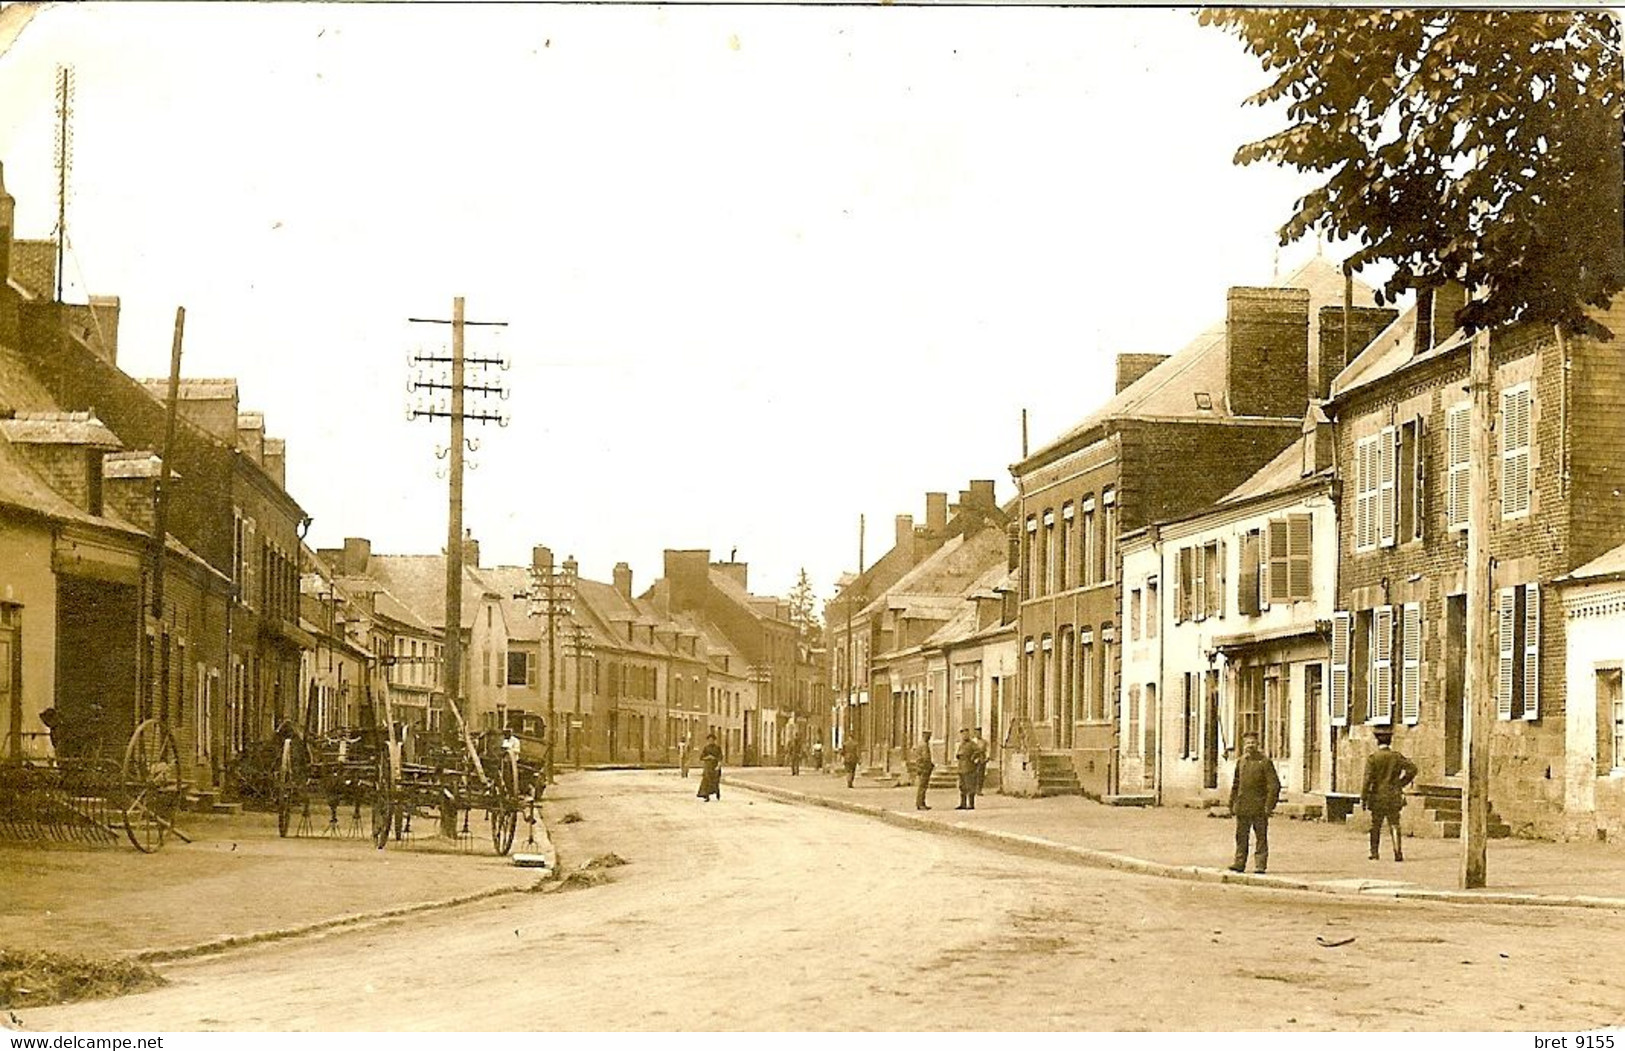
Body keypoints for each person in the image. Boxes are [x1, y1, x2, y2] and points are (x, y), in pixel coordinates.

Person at [1362, 728, 1419, 861]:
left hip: (1378, 796)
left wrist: (1363, 797)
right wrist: (1401, 783)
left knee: (1376, 824)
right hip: (1393, 794)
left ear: (1377, 741)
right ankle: (1397, 852)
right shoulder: (1397, 757)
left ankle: (1374, 853)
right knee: (1394, 823)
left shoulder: (1373, 758)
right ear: (1390, 741)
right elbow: (1412, 769)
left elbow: (1367, 779)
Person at [1228, 732, 1280, 873]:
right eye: (1247, 743)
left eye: (1252, 743)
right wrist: (1232, 803)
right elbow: (1236, 784)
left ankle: (1260, 865)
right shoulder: (1241, 762)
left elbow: (1274, 786)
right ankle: (1239, 863)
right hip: (1243, 806)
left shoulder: (1264, 762)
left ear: (1258, 744)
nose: (1250, 746)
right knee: (1241, 836)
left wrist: (1268, 806)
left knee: (1261, 837)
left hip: (1259, 807)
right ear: (1243, 745)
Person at [955, 727, 978, 810]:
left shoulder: (972, 744)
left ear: (968, 735)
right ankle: (963, 804)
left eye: (966, 734)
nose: (964, 736)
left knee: (970, 786)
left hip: (969, 768)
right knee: (962, 787)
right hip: (961, 768)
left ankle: (971, 804)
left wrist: (973, 758)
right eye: (963, 734)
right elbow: (958, 754)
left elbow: (978, 752)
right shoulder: (961, 745)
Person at [912, 731, 935, 811]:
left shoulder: (920, 744)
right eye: (928, 736)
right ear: (925, 736)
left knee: (922, 786)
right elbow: (925, 757)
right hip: (924, 768)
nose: (929, 737)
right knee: (923, 786)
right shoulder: (924, 745)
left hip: (921, 767)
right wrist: (930, 765)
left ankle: (920, 803)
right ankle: (921, 803)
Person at [697, 733, 723, 801]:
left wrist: (718, 765)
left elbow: (720, 757)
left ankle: (717, 793)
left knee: (715, 782)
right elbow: (701, 757)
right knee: (706, 781)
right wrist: (708, 757)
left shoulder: (717, 748)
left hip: (715, 766)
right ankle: (706, 796)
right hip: (708, 767)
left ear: (714, 740)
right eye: (709, 740)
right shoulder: (706, 748)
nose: (711, 741)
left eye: (712, 740)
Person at [971, 726, 989, 799]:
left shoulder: (984, 742)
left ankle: (979, 789)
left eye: (979, 733)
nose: (978, 734)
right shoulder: (972, 742)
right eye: (977, 732)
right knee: (974, 775)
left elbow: (987, 750)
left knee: (981, 775)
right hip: (974, 760)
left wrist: (987, 757)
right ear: (975, 733)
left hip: (981, 759)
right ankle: (973, 789)